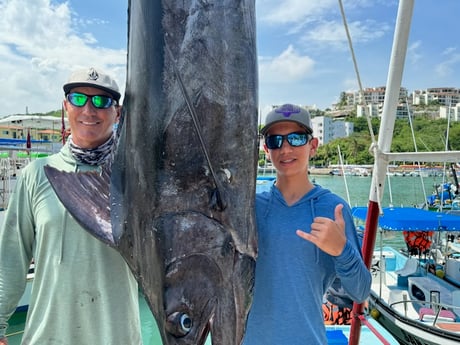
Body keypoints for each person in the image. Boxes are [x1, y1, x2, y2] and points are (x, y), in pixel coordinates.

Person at [0, 67, 142, 344]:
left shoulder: (137, 179)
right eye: (78, 99)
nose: (89, 110)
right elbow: (11, 261)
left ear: (118, 112)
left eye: (101, 101)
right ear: (66, 106)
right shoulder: (35, 174)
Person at [243, 104, 371, 345]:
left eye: (296, 138)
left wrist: (341, 251)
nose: (286, 148)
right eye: (275, 141)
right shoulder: (250, 208)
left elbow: (360, 291)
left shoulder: (335, 210)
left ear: (313, 146)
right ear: (265, 149)